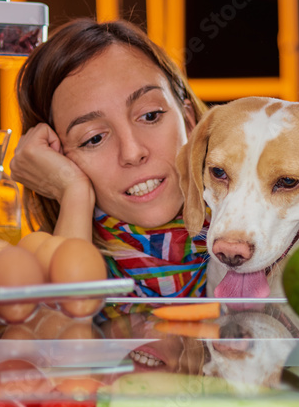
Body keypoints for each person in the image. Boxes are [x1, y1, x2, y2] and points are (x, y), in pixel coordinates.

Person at [11, 18, 210, 298]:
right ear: (57, 159)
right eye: (94, 138)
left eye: (150, 116)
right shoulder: (35, 263)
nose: (132, 152)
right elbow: (64, 328)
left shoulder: (270, 236)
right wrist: (73, 193)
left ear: (189, 121)